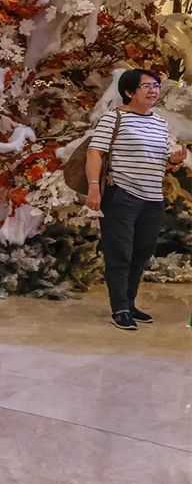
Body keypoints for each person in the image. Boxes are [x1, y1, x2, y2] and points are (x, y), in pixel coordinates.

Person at [86, 68, 186, 331]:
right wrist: (94, 187)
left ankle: (130, 303)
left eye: (156, 85)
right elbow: (95, 153)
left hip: (152, 198)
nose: (154, 90)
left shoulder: (159, 123)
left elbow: (164, 156)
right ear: (129, 92)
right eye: (146, 86)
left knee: (142, 252)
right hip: (122, 195)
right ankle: (119, 308)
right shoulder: (114, 118)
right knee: (119, 253)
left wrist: (174, 158)